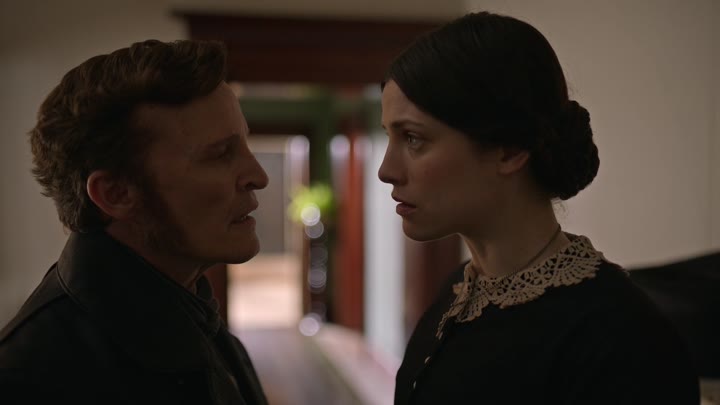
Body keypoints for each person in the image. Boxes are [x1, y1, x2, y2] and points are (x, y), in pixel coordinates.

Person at [378, 11, 699, 404]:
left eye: (413, 138)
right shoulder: (456, 296)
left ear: (510, 149)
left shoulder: (623, 339)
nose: (386, 170)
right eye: (389, 136)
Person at [0, 39, 269, 404]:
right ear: (115, 194)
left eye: (245, 146)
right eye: (220, 154)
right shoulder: (29, 378)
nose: (258, 176)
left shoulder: (198, 321)